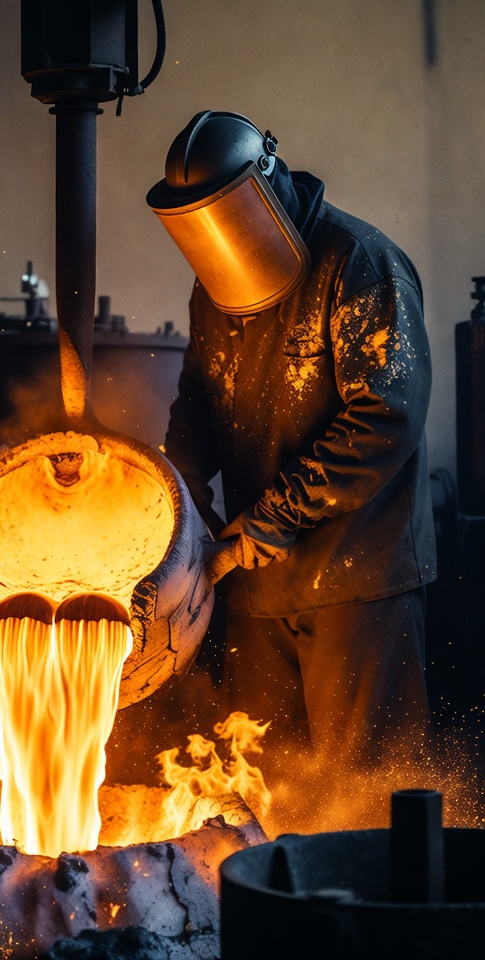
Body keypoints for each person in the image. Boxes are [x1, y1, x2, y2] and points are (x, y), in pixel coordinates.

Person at [146, 110, 436, 772]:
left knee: (370, 799)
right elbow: (197, 402)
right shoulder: (214, 286)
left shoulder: (361, 264)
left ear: (268, 180)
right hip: (256, 589)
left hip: (357, 583)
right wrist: (181, 511)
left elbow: (386, 415)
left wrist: (277, 515)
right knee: (267, 794)